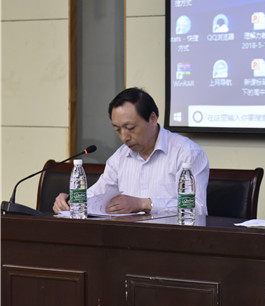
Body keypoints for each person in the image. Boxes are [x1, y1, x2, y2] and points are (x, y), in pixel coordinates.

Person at [53, 87, 209, 216]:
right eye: (117, 130)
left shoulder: (187, 153)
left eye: (130, 128)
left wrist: (144, 204)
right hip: (126, 237)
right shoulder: (120, 157)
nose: (124, 137)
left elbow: (198, 208)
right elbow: (98, 195)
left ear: (152, 119)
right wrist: (69, 201)